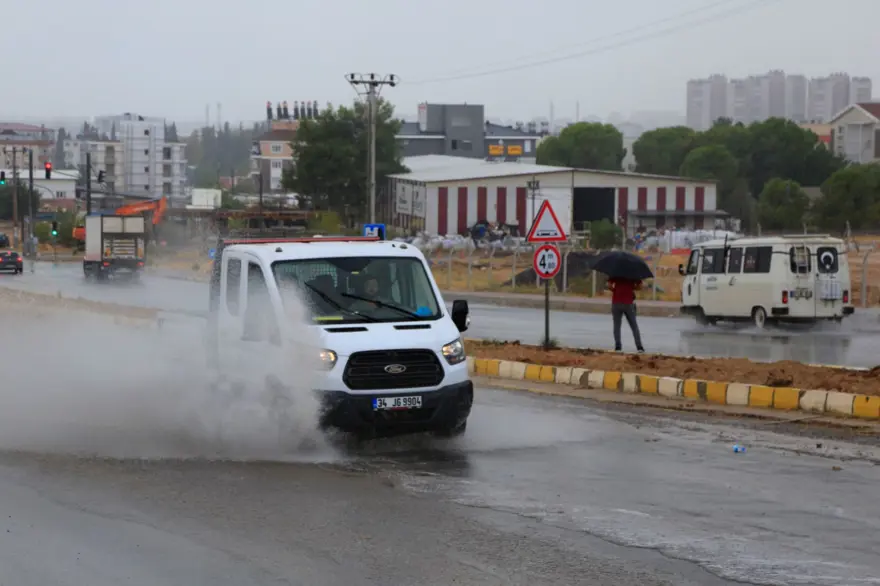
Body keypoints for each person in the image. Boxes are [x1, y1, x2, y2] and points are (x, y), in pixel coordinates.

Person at [607, 277, 645, 353]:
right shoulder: (633, 272)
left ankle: (618, 346)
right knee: (634, 326)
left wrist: (615, 290)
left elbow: (609, 285)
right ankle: (639, 347)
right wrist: (632, 288)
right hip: (628, 303)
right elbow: (640, 286)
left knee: (617, 325)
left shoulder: (616, 270)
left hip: (616, 302)